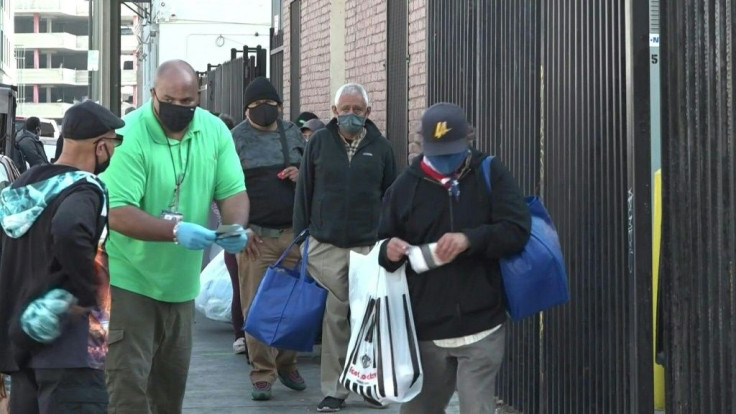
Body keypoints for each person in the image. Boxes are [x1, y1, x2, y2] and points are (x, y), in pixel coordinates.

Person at [101, 59, 249, 413]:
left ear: (198, 96)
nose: (179, 109)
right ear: (153, 93)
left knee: (169, 394)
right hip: (129, 280)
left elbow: (233, 192)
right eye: (170, 100)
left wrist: (234, 227)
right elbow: (117, 210)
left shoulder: (214, 131)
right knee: (128, 390)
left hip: (181, 287)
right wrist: (175, 230)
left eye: (188, 102)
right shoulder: (128, 134)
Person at [377, 103, 531, 414]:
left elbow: (517, 230)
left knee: (477, 408)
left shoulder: (490, 172)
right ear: (422, 145)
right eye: (438, 153)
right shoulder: (404, 188)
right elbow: (381, 244)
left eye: (452, 152)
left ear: (468, 142)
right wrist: (388, 251)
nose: (446, 161)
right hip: (427, 330)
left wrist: (469, 239)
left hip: (483, 323)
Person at [0, 101, 124, 414]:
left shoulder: (21, 189)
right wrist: (84, 289)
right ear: (100, 146)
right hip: (71, 351)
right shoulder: (84, 189)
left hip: (23, 349)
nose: (113, 150)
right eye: (113, 142)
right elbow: (69, 230)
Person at [294, 82, 397, 412]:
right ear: (334, 111)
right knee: (336, 315)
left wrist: (388, 241)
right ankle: (334, 390)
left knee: (367, 317)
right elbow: (304, 192)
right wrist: (302, 237)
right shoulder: (320, 143)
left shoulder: (381, 148)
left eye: (358, 110)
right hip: (328, 243)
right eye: (345, 109)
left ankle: (368, 383)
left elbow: (391, 195)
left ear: (368, 113)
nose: (351, 115)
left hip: (368, 245)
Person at [231, 77, 306, 400]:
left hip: (292, 236)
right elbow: (223, 190)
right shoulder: (234, 140)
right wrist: (237, 228)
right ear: (246, 109)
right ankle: (262, 372)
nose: (265, 111)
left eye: (271, 106)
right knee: (256, 309)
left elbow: (313, 177)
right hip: (254, 238)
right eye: (257, 107)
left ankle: (288, 363)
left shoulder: (291, 133)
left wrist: (299, 175)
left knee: (294, 306)